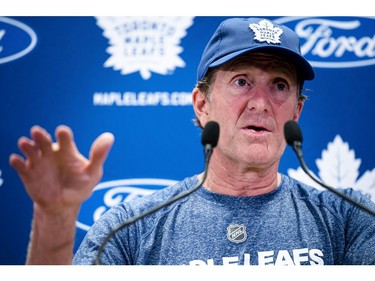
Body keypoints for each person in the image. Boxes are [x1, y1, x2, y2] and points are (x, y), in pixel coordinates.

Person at [9, 17, 375, 265]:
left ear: (295, 112)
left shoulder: (349, 219)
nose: (261, 103)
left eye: (279, 85)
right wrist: (55, 218)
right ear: (202, 105)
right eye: (241, 81)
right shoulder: (130, 229)